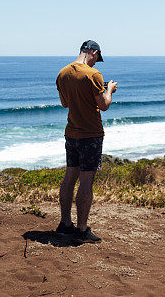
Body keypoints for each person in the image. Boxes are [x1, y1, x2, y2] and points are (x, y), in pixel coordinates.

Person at [54, 40, 117, 243]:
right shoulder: (93, 75)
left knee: (70, 176)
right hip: (90, 134)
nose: (97, 63)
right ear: (94, 52)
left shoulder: (62, 73)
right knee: (86, 180)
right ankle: (81, 229)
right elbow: (104, 105)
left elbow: (65, 103)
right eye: (97, 58)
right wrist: (109, 90)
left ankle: (65, 224)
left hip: (71, 132)